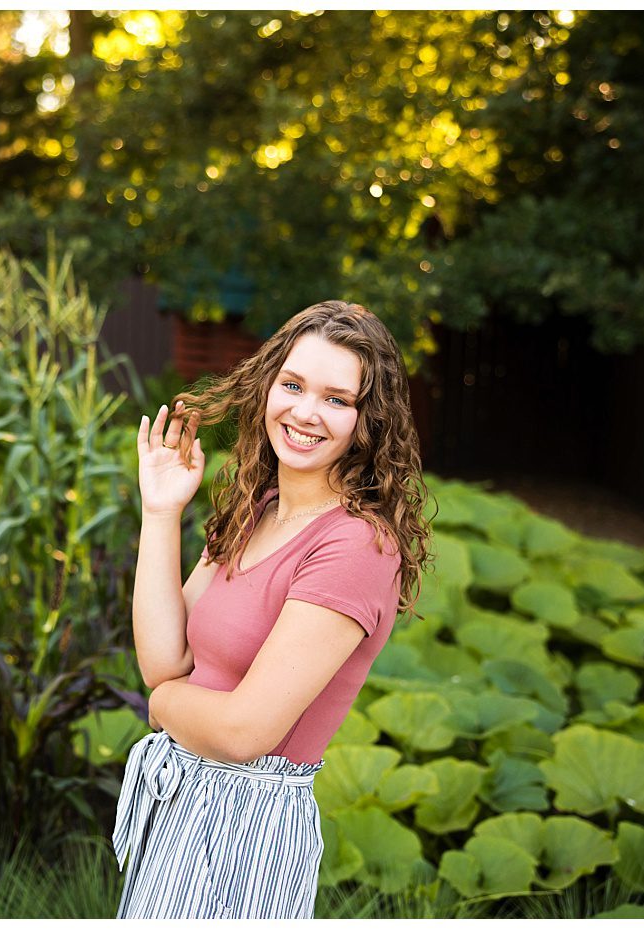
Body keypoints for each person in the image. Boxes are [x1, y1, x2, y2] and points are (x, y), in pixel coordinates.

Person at [112, 300, 430, 918]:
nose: (306, 412)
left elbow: (244, 733)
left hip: (247, 826)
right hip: (180, 801)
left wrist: (160, 708)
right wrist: (161, 511)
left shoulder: (356, 546)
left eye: (338, 399)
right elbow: (164, 659)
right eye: (293, 385)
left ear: (370, 420)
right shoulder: (255, 509)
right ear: (267, 387)